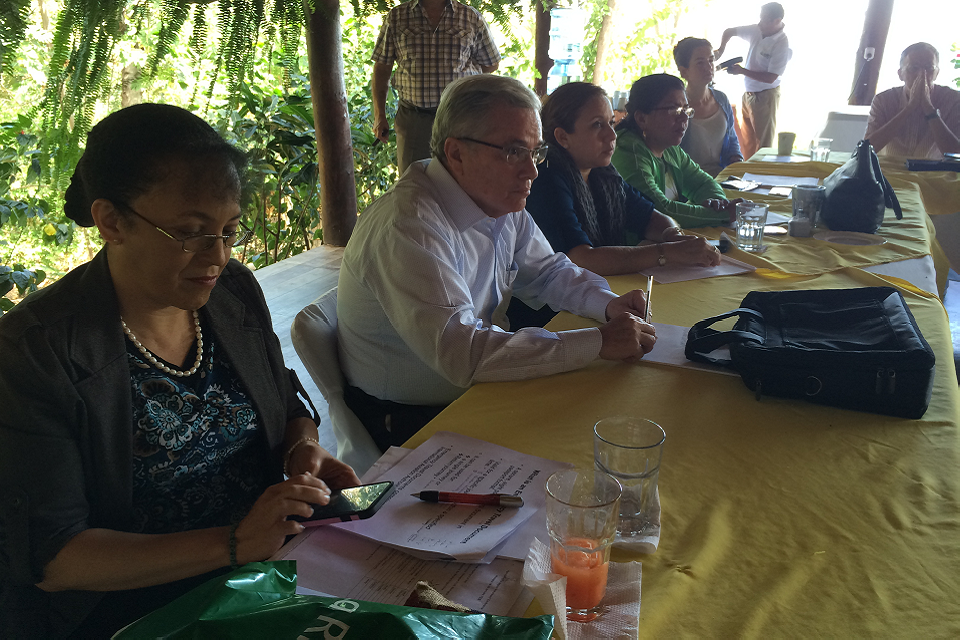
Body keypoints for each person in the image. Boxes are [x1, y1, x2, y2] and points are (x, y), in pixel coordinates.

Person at [0, 104, 361, 637]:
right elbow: (55, 559)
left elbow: (286, 402)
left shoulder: (232, 293)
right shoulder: (36, 352)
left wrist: (299, 449)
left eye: (229, 230)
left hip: (266, 573)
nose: (215, 256)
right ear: (111, 221)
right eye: (190, 233)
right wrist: (232, 543)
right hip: (135, 610)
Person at [337, 75, 657, 452]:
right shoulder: (409, 225)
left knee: (625, 421)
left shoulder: (496, 197)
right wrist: (597, 342)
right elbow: (465, 354)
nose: (531, 171)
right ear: (455, 152)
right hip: (413, 424)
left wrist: (607, 303)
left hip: (480, 389)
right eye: (512, 151)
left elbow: (549, 271)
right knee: (597, 458)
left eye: (535, 152)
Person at [511, 81, 722, 328]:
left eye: (611, 123)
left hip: (595, 299)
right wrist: (666, 253)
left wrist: (673, 236)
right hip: (550, 319)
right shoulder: (546, 177)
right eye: (597, 125)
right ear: (562, 137)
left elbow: (650, 215)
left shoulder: (603, 173)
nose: (612, 135)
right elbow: (581, 259)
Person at [371, 0, 501, 174]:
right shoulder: (397, 17)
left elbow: (490, 63)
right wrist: (379, 115)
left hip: (458, 118)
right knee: (413, 183)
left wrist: (466, 82)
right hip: (414, 120)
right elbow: (382, 67)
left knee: (461, 179)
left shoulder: (470, 17)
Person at [611, 74, 741, 229]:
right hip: (637, 249)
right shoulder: (628, 152)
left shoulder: (670, 148)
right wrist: (725, 214)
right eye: (674, 110)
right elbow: (659, 211)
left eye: (686, 110)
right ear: (642, 119)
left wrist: (719, 203)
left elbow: (703, 183)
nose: (684, 118)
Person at [714, 2, 792, 159]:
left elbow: (771, 78)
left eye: (765, 20)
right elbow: (730, 31)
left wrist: (742, 71)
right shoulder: (757, 29)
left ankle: (761, 178)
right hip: (748, 94)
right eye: (760, 18)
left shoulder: (781, 44)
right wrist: (721, 49)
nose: (760, 23)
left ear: (777, 21)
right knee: (747, 142)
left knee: (763, 145)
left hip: (765, 96)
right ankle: (747, 177)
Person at [864, 42, 960, 159]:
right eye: (913, 68)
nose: (922, 75)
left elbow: (956, 152)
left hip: (935, 174)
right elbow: (867, 148)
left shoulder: (953, 100)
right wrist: (909, 108)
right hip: (891, 172)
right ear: (900, 74)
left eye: (929, 68)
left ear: (936, 73)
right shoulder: (883, 100)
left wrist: (929, 109)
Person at [674, 37, 743, 177]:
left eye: (711, 60)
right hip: (691, 184)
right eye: (700, 63)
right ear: (684, 72)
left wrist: (737, 162)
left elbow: (732, 139)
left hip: (723, 178)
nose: (708, 67)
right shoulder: (677, 108)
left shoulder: (721, 99)